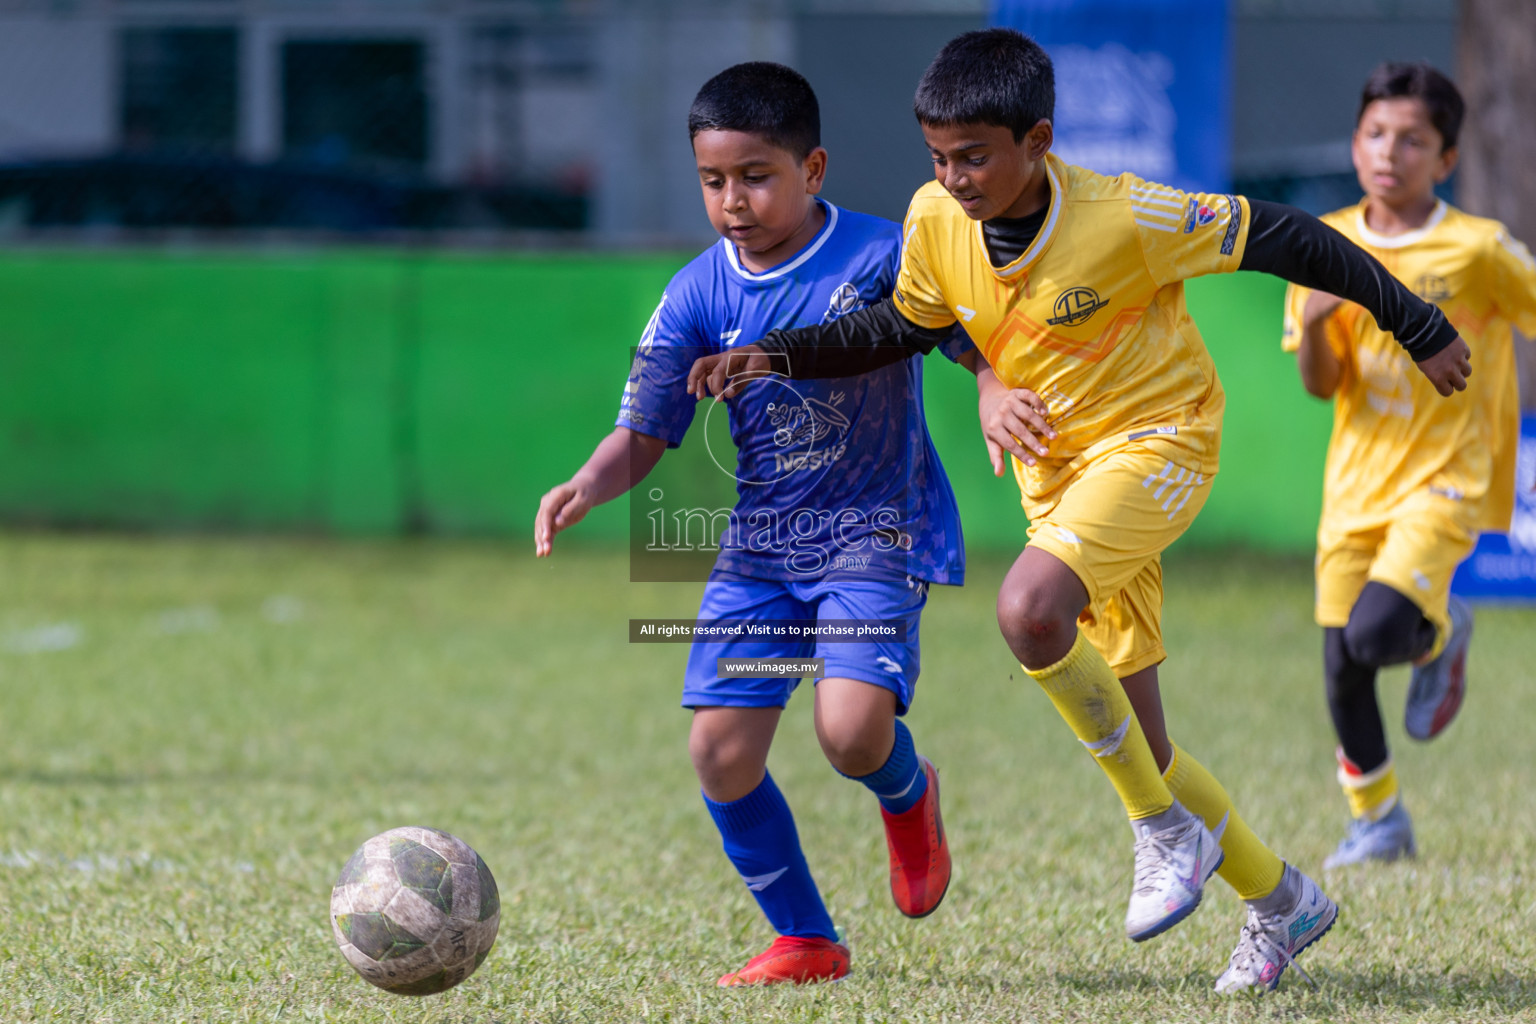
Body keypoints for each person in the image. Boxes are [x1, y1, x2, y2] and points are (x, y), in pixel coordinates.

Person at [687, 29, 1472, 993]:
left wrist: (1418, 322)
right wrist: (778, 354)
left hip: (1161, 443)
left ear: (1039, 139)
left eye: (975, 155)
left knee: (1029, 611)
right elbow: (906, 325)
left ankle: (1157, 830)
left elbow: (1291, 235)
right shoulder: (934, 218)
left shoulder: (1125, 215)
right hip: (1061, 481)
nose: (955, 177)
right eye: (939, 156)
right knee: (1147, 745)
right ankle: (1282, 903)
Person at [534, 62, 980, 987]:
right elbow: (645, 429)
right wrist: (587, 482)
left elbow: (970, 340)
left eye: (756, 176)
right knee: (720, 751)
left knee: (852, 733)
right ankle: (806, 938)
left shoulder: (884, 256)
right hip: (762, 549)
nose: (733, 200)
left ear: (812, 169)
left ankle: (909, 790)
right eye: (713, 181)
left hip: (873, 531)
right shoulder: (697, 292)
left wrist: (997, 383)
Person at [1281, 62, 1536, 869]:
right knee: (1342, 667)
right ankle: (1379, 821)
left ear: (1447, 158)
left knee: (1378, 631)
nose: (1390, 153)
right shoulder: (1321, 244)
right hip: (1355, 484)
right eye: (1376, 135)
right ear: (1355, 146)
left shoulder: (1478, 250)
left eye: (1413, 140)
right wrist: (1319, 322)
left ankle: (1436, 633)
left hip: (1447, 480)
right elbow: (1322, 386)